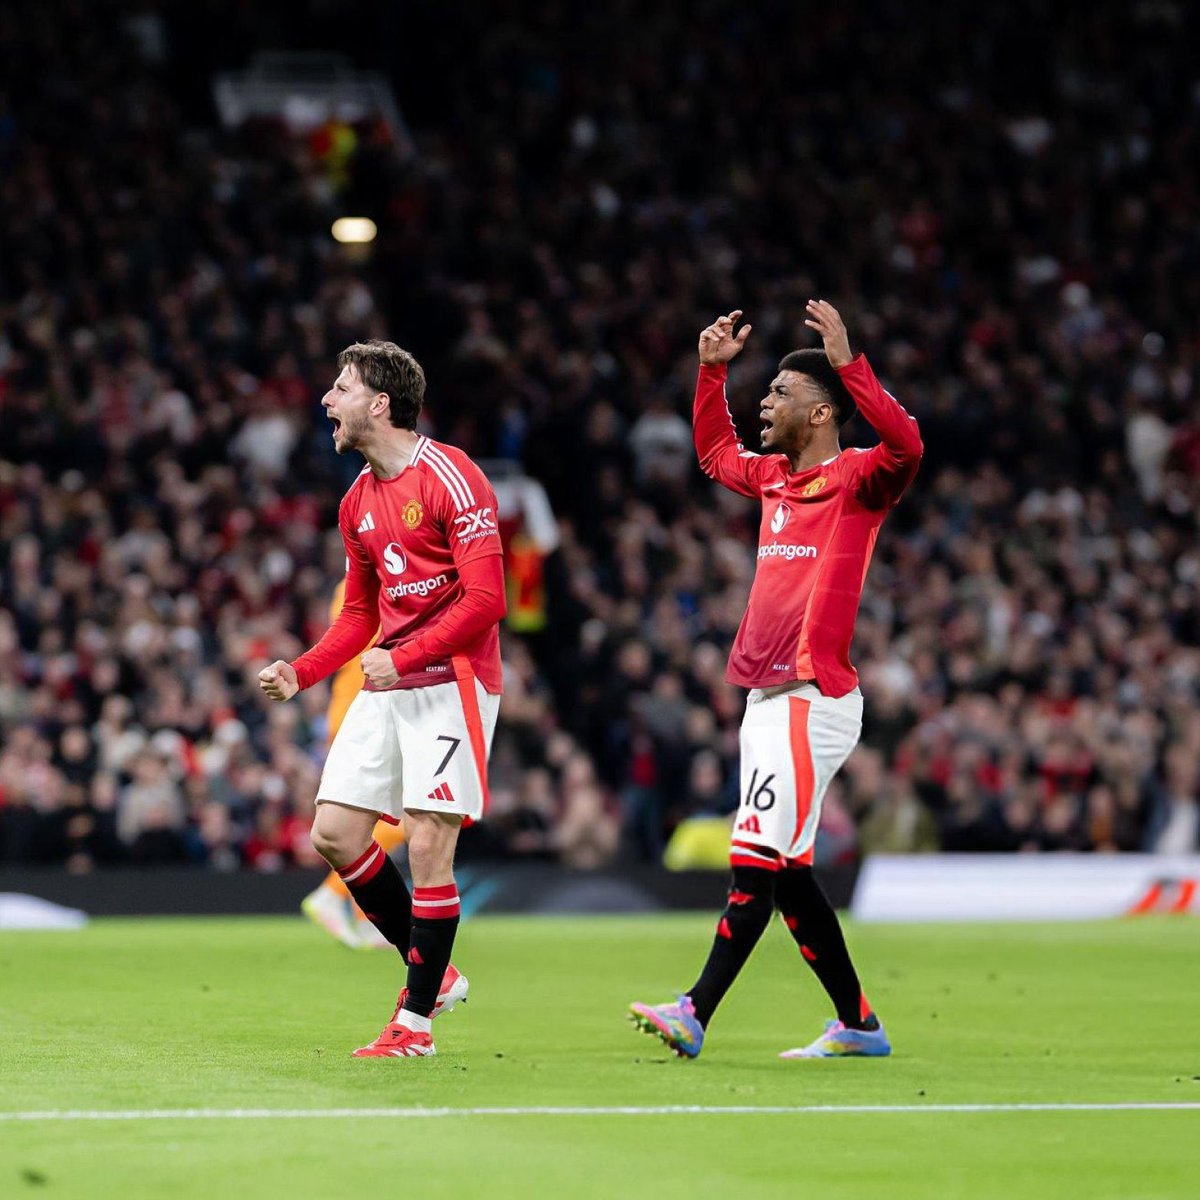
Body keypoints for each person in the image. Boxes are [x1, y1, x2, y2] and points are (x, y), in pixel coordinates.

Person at [630, 301, 922, 1059]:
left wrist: (851, 362)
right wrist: (711, 371)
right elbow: (712, 453)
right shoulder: (773, 482)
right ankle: (859, 1025)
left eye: (780, 394)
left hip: (811, 697)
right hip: (766, 699)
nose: (765, 403)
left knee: (755, 854)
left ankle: (694, 1010)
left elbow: (908, 441)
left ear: (822, 410)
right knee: (788, 871)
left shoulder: (859, 478)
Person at [259, 340, 506, 1058]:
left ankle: (416, 1025)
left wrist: (406, 657)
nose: (327, 402)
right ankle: (435, 967)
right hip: (391, 680)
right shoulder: (357, 502)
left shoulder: (452, 477)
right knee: (334, 833)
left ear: (380, 403)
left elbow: (488, 598)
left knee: (429, 844)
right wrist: (301, 672)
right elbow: (361, 615)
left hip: (451, 685)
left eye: (340, 389)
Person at [298, 578, 403, 950]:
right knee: (401, 817)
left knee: (380, 818)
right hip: (364, 708)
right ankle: (331, 895)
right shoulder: (376, 581)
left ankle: (367, 917)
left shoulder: (354, 582)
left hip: (361, 706)